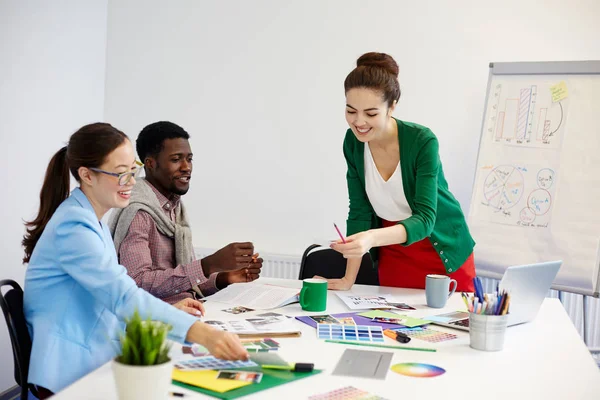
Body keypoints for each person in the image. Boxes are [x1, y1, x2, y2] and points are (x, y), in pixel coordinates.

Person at [22, 123, 248, 398]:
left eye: (133, 170)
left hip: (91, 356)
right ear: (87, 175)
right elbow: (123, 298)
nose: (131, 182)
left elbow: (111, 301)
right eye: (120, 174)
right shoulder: (74, 227)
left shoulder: (91, 219)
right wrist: (201, 334)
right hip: (68, 374)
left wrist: (169, 314)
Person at [325, 52, 475, 292]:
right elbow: (360, 212)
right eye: (351, 111)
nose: (359, 122)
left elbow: (426, 218)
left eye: (371, 113)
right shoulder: (352, 143)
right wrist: (347, 279)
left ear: (392, 107)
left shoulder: (422, 141)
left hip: (441, 249)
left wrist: (371, 238)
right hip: (394, 250)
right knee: (394, 325)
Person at [109, 121, 263, 304]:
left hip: (186, 310)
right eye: (176, 159)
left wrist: (226, 277)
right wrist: (208, 264)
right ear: (150, 164)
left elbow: (184, 282)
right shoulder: (139, 213)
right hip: (158, 323)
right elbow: (138, 283)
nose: (186, 167)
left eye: (189, 159)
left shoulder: (174, 207)